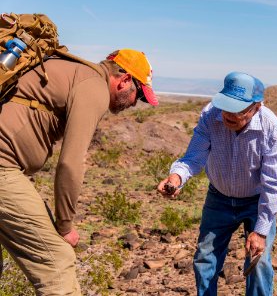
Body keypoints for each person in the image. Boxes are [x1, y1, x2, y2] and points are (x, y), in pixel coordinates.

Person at [0, 49, 158, 295]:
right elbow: (70, 163)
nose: (136, 103)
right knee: (57, 261)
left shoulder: (74, 72)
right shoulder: (93, 86)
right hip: (2, 167)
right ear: (125, 80)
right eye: (139, 95)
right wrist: (64, 227)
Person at [157, 71, 277, 296]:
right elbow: (194, 157)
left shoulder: (271, 128)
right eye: (226, 105)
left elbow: (272, 185)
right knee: (205, 258)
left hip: (257, 202)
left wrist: (261, 231)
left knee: (259, 261)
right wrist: (177, 177)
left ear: (256, 107)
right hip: (219, 198)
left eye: (237, 109)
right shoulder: (210, 115)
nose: (228, 114)